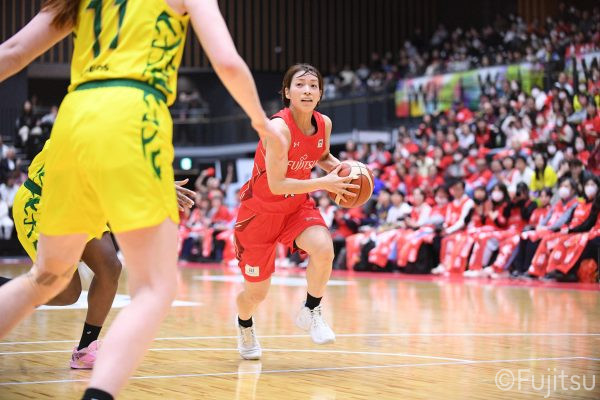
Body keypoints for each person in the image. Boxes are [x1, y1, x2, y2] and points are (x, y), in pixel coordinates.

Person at [0, 0, 283, 399]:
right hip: (134, 110)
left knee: (47, 277)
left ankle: (86, 350)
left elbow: (12, 52)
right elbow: (227, 62)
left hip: (73, 120)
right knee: (155, 287)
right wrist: (261, 122)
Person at [0, 140, 195, 369]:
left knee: (110, 267)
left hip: (81, 205)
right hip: (43, 202)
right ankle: (5, 290)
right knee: (67, 293)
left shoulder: (126, 131)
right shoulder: (88, 125)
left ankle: (85, 349)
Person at [233, 64, 358, 360]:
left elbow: (321, 155)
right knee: (256, 294)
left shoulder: (324, 124)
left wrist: (346, 172)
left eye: (313, 86)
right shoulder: (278, 129)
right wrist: (324, 182)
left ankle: (311, 310)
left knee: (324, 249)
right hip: (259, 213)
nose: (307, 90)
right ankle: (244, 324)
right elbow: (276, 185)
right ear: (287, 92)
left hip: (296, 207)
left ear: (321, 94)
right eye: (300, 85)